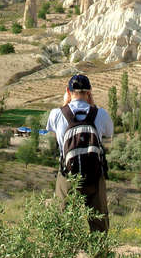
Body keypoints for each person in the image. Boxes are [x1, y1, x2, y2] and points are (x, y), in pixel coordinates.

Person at [46, 74, 114, 232]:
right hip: (94, 175)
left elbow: (56, 138)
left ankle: (63, 252)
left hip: (67, 174)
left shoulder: (56, 114)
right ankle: (98, 253)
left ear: (68, 91)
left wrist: (64, 105)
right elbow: (109, 131)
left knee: (62, 219)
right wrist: (93, 106)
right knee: (99, 222)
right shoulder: (100, 114)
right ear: (89, 93)